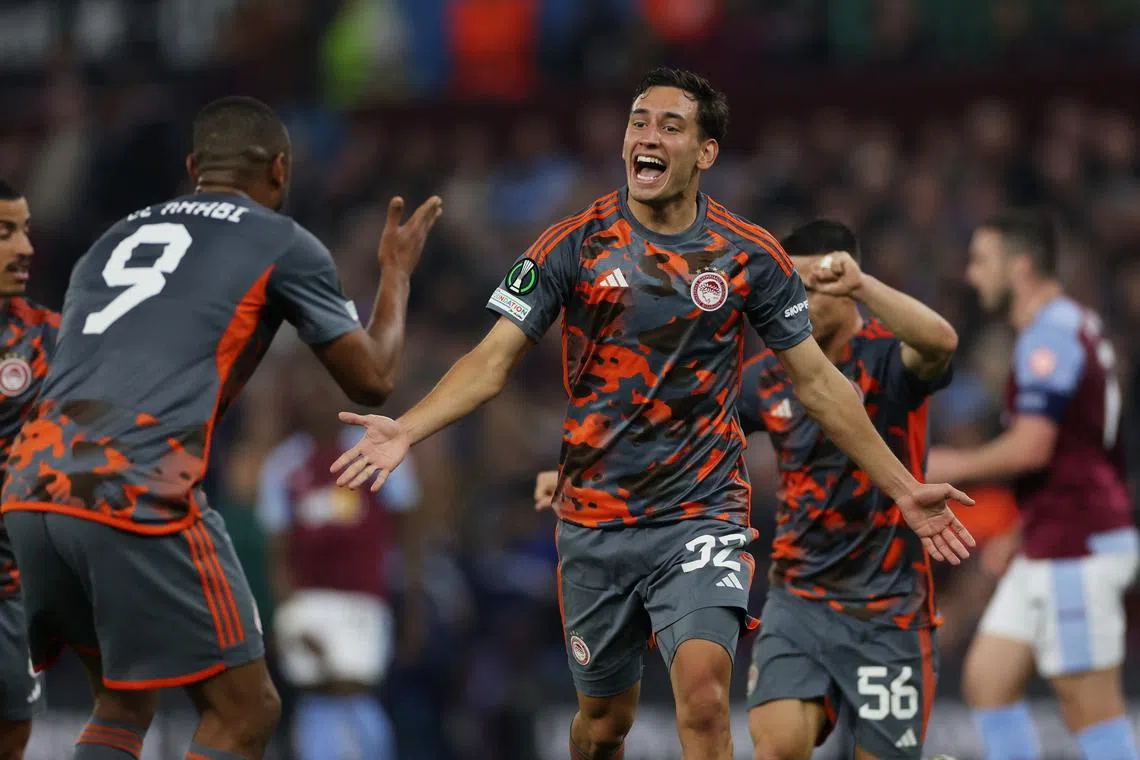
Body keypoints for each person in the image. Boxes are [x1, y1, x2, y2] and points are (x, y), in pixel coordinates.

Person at [331, 68, 973, 760]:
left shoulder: (750, 256)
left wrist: (904, 488)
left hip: (701, 513)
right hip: (597, 521)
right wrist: (410, 426)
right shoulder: (569, 246)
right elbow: (491, 362)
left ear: (706, 153)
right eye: (639, 122)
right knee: (604, 723)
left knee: (702, 699)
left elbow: (817, 382)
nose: (648, 136)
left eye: (671, 125)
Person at [0, 96, 441, 760]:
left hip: (31, 487)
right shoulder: (281, 240)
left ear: (192, 167)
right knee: (248, 712)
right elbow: (373, 379)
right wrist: (395, 279)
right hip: (135, 487)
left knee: (123, 703)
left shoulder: (110, 240)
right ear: (280, 172)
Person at [535, 220, 959, 759]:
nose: (799, 300)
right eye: (794, 287)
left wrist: (862, 284)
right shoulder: (768, 376)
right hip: (799, 598)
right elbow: (682, 432)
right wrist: (580, 475)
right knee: (777, 749)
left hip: (889, 608)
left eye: (815, 288)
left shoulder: (885, 356)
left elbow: (941, 342)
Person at [927, 210, 1139, 760]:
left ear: (1019, 268)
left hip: (1078, 547)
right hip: (1051, 536)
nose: (972, 276)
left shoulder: (1050, 339)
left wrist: (952, 463)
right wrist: (1022, 533)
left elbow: (1034, 447)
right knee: (988, 680)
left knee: (1089, 706)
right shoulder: (1069, 327)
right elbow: (1080, 452)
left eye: (982, 262)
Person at [257, 367, 423, 760]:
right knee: (317, 690)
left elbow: (410, 534)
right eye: (309, 388)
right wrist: (286, 616)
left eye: (325, 388)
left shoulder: (378, 452)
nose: (317, 397)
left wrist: (413, 604)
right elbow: (277, 552)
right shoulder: (282, 465)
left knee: (355, 686)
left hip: (364, 597)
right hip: (308, 599)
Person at [0, 179, 56, 760]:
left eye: (26, 231)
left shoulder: (47, 338)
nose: (24, 248)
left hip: (12, 587)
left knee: (12, 736)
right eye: (4, 233)